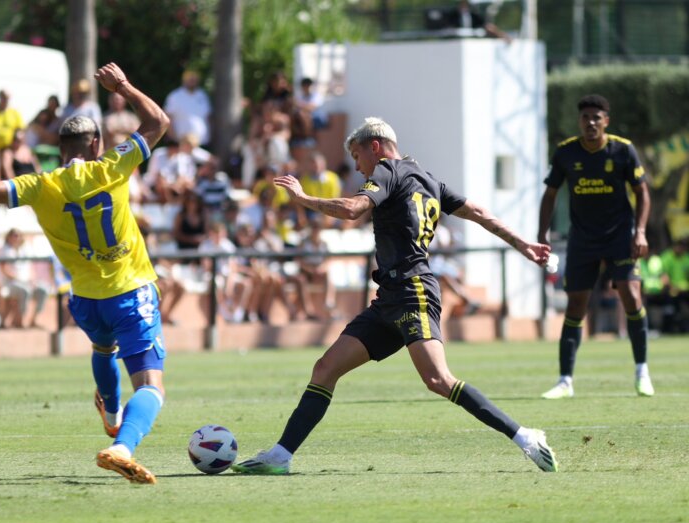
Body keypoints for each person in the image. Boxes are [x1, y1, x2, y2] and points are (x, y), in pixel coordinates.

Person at [232, 117, 558, 475]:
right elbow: (477, 212)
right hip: (389, 298)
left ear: (375, 147)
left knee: (438, 380)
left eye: (357, 157)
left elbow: (353, 210)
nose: (357, 167)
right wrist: (523, 243)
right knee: (325, 368)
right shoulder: (427, 178)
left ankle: (525, 436)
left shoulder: (387, 170)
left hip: (412, 292)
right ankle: (281, 455)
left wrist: (303, 198)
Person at [0, 62, 171, 485]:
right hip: (130, 292)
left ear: (60, 148)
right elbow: (158, 121)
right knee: (152, 386)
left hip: (84, 300)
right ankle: (122, 444)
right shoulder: (112, 166)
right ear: (96, 143)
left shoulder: (40, 185)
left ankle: (112, 415)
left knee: (103, 350)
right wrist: (123, 86)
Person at [538, 94, 654, 399]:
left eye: (596, 117)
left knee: (630, 294)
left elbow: (642, 193)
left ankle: (642, 370)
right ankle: (565, 380)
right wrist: (543, 233)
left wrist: (639, 232)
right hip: (583, 238)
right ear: (580, 121)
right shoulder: (566, 153)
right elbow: (550, 195)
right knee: (576, 304)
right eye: (585, 117)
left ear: (606, 121)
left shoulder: (623, 150)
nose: (590, 122)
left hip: (620, 236)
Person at [164, 70, 212, 146]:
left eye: (194, 79)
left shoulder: (202, 95)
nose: (192, 81)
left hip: (202, 142)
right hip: (182, 144)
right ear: (184, 80)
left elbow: (208, 117)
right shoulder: (175, 96)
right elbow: (168, 117)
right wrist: (173, 138)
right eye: (190, 79)